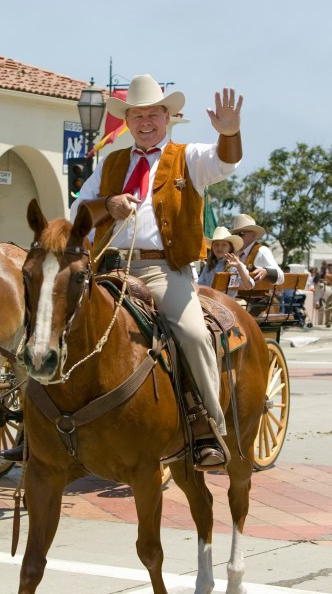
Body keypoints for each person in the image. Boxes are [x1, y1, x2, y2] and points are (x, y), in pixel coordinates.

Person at [70, 73, 243, 469]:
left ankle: (207, 429)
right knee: (57, 322)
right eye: (137, 115)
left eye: (153, 114)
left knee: (194, 334)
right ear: (127, 121)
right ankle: (40, 425)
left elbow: (225, 163)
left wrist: (230, 134)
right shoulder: (111, 162)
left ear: (169, 117)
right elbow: (77, 211)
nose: (145, 122)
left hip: (163, 271)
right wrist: (107, 205)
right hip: (107, 269)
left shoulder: (189, 158)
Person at [229, 214, 284, 286]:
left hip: (254, 296)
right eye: (235, 234)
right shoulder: (235, 252)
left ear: (253, 235)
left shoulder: (261, 251)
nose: (237, 237)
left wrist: (266, 271)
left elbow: (281, 277)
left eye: (241, 233)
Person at [197, 226, 253, 296]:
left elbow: (248, 286)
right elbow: (200, 285)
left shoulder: (235, 265)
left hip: (224, 304)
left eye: (224, 245)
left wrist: (239, 266)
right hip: (207, 301)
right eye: (216, 244)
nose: (219, 248)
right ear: (212, 248)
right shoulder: (209, 265)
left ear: (230, 248)